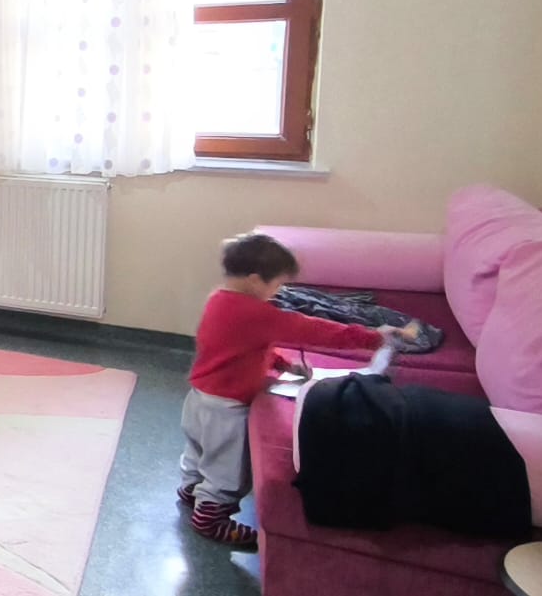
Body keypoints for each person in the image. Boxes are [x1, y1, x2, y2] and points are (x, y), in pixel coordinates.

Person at [178, 233, 420, 547]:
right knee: (227, 467)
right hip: (227, 408)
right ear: (255, 280)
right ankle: (210, 517)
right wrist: (374, 337)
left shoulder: (219, 300)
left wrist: (282, 363)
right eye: (278, 284)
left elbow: (234, 347)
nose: (279, 292)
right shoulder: (256, 313)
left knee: (198, 451)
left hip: (199, 398)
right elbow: (313, 330)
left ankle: (190, 489)